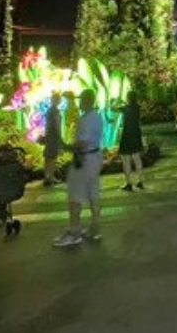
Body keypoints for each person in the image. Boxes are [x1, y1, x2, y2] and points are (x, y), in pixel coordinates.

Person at [53, 89, 103, 247]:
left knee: (75, 197)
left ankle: (73, 233)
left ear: (86, 101)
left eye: (81, 99)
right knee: (93, 194)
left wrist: (64, 146)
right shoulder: (97, 116)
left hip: (84, 159)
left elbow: (81, 143)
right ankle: (94, 229)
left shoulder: (85, 120)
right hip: (95, 157)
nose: (79, 103)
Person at [118, 90, 144, 191]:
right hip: (136, 135)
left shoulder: (126, 108)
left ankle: (129, 183)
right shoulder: (137, 108)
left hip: (127, 136)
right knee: (137, 159)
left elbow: (114, 108)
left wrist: (119, 102)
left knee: (126, 160)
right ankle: (140, 181)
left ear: (128, 98)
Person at [43, 92, 63, 186]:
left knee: (47, 157)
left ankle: (47, 177)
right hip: (54, 136)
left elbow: (46, 125)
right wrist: (60, 136)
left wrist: (46, 135)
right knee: (53, 157)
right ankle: (51, 177)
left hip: (49, 135)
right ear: (57, 100)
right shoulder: (55, 111)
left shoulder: (48, 111)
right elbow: (57, 124)